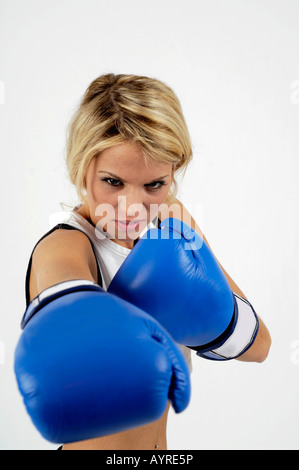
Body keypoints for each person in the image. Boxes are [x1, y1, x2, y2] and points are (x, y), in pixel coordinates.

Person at [15, 73, 271, 450]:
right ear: (82, 165)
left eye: (154, 184)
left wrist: (216, 320)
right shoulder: (66, 245)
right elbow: (61, 288)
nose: (132, 206)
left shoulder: (171, 221)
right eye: (113, 181)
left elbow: (259, 346)